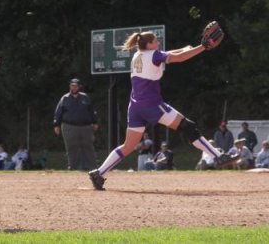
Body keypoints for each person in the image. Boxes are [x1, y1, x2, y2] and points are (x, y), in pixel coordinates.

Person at [88, 30, 231, 190]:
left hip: (135, 107)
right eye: (155, 41)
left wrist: (186, 48)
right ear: (149, 44)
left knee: (127, 146)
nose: (158, 43)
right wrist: (203, 47)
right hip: (152, 105)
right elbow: (178, 58)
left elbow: (168, 53)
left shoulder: (138, 55)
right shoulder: (154, 55)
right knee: (187, 126)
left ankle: (99, 173)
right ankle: (218, 156)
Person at [53, 78, 99, 170]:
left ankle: (93, 167)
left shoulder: (85, 97)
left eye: (76, 86)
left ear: (79, 87)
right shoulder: (64, 98)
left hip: (86, 127)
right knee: (71, 148)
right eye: (72, 85)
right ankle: (73, 167)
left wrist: (95, 122)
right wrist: (56, 125)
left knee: (89, 147)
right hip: (69, 127)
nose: (74, 87)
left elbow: (91, 111)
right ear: (70, 86)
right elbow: (58, 112)